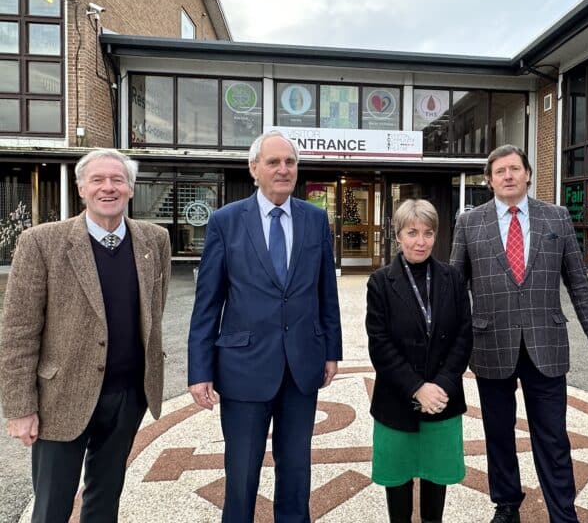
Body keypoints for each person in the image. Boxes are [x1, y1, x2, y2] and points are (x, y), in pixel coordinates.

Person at [0, 148, 171, 523]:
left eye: (117, 179)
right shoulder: (41, 242)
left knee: (105, 499)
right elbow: (17, 332)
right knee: (51, 506)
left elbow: (153, 312)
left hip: (128, 396)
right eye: (97, 180)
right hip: (60, 398)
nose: (107, 188)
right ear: (81, 188)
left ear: (130, 187)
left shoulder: (154, 240)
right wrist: (19, 408)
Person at [450, 144, 588, 523]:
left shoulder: (556, 218)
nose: (507, 176)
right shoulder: (469, 223)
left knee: (553, 436)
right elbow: (455, 289)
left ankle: (563, 511)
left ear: (527, 174)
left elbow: (578, 282)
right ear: (489, 180)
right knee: (498, 432)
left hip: (546, 343)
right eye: (499, 171)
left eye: (514, 169)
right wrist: (446, 350)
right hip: (491, 343)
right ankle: (506, 504)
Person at [188, 130, 342, 523]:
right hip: (243, 369)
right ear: (254, 168)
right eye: (273, 162)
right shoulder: (226, 221)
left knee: (296, 472)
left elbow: (327, 292)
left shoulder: (315, 218)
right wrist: (199, 370)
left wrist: (331, 350)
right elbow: (208, 302)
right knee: (241, 476)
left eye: (290, 162)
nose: (283, 169)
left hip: (301, 368)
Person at [366, 199, 472, 523]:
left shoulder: (452, 278)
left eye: (428, 233)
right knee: (397, 485)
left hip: (442, 400)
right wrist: (416, 388)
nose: (420, 241)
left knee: (435, 482)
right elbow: (380, 344)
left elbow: (463, 336)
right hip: (397, 401)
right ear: (398, 235)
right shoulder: (381, 282)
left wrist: (440, 386)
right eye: (412, 232)